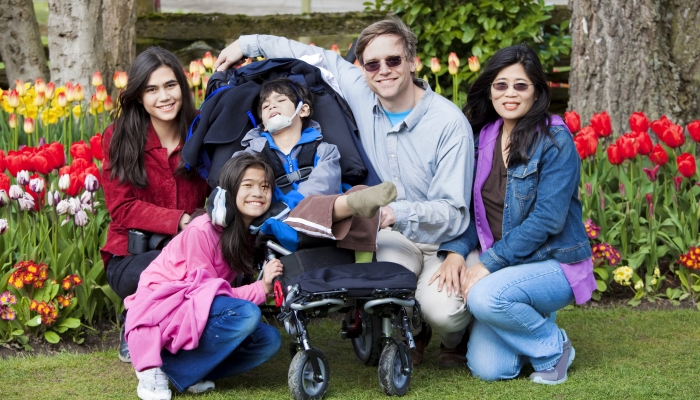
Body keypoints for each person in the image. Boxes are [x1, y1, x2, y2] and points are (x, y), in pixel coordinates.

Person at [215, 18, 474, 368]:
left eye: (394, 61)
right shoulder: (361, 90)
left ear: (412, 62)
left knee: (442, 311)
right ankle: (410, 323)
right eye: (372, 64)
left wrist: (398, 212)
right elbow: (308, 54)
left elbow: (455, 213)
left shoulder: (448, 123)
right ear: (363, 69)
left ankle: (453, 338)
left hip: (439, 239)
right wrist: (246, 44)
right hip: (388, 235)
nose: (383, 71)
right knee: (380, 290)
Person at [437, 44, 596, 384]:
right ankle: (523, 316)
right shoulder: (483, 136)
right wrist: (455, 251)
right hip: (508, 267)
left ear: (537, 91)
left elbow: (548, 219)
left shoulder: (554, 138)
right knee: (491, 369)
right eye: (501, 85)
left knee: (484, 296)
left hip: (553, 262)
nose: (510, 94)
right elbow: (475, 212)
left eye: (520, 85)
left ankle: (555, 348)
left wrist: (488, 263)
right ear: (490, 90)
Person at [124, 153, 283, 400]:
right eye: (248, 184)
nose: (258, 192)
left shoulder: (247, 234)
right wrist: (260, 289)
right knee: (246, 314)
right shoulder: (203, 229)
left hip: (196, 306)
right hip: (165, 305)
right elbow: (204, 294)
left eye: (265, 186)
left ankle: (180, 371)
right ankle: (151, 366)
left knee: (269, 340)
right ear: (230, 189)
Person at [101, 47, 210, 363]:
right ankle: (135, 321)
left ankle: (180, 332)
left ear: (182, 87)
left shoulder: (199, 133)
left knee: (205, 269)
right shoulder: (119, 138)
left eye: (170, 85)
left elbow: (220, 187)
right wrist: (181, 221)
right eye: (151, 89)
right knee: (171, 272)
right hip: (132, 257)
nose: (164, 96)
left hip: (188, 251)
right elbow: (122, 208)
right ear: (137, 96)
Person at [234, 76, 396, 256]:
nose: (271, 106)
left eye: (280, 100)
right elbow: (238, 178)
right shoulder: (252, 154)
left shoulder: (325, 151)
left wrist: (289, 206)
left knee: (356, 191)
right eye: (265, 106)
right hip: (272, 220)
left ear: (302, 110)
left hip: (321, 218)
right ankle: (355, 203)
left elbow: (324, 185)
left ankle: (362, 255)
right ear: (262, 122)